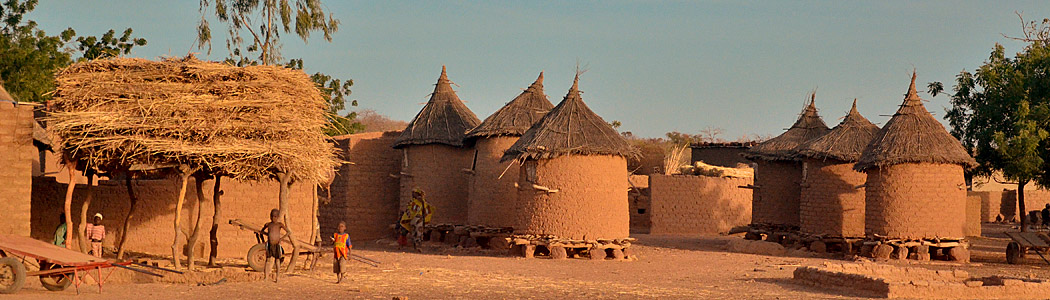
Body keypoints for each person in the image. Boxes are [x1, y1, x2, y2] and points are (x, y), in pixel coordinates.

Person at [260, 209, 288, 283]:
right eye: (272, 216)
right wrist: (263, 241)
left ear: (278, 217)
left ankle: (277, 277)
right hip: (269, 244)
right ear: (270, 217)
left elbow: (288, 232)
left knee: (277, 260)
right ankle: (266, 277)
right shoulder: (268, 224)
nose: (274, 218)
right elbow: (261, 232)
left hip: (276, 244)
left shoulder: (280, 224)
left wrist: (281, 239)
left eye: (275, 216)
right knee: (267, 260)